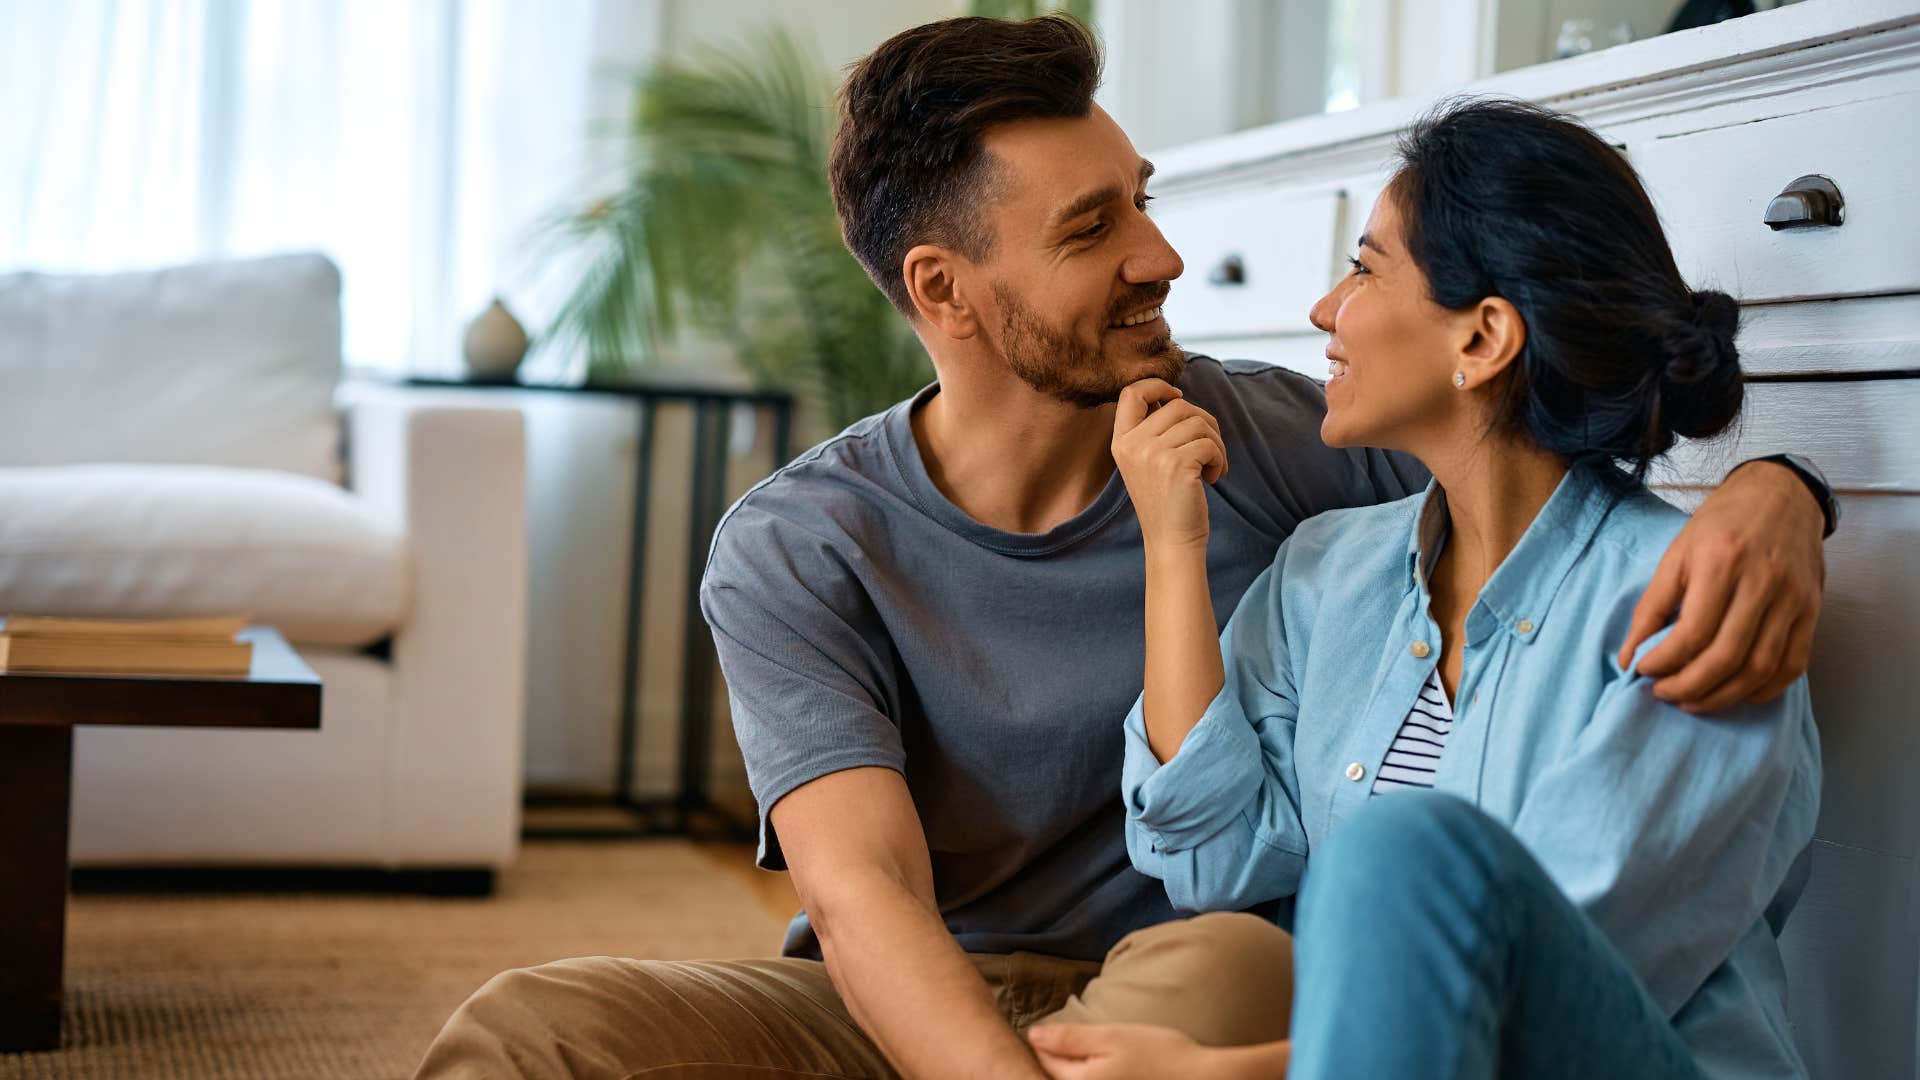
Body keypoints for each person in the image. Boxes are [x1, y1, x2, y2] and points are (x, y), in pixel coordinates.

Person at [414, 18, 1832, 1080]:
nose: (1159, 255)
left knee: (1246, 954)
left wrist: (1780, 494)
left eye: (1142, 197)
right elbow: (865, 906)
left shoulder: (1285, 442)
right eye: (1097, 226)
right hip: (918, 1009)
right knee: (528, 1033)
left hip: (1194, 993)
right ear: (945, 290)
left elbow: (1558, 446)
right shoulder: (801, 542)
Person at [1026, 98, 1819, 1080]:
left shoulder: (1694, 596)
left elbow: (1548, 978)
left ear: (1482, 340)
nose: (1325, 309)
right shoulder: (1327, 571)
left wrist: (1219, 1075)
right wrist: (1173, 544)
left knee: (1401, 850)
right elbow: (1213, 858)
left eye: (1365, 268)